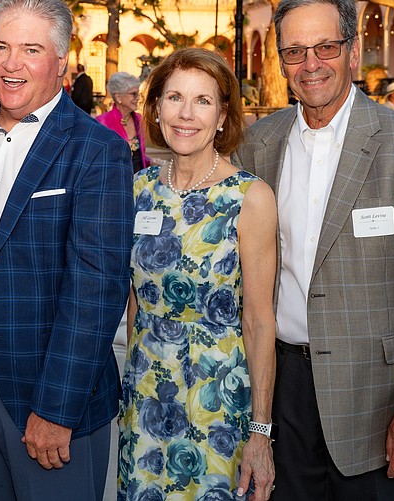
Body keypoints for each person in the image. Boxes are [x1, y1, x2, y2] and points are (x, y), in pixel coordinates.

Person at [235, 0, 394, 501]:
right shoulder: (259, 144)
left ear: (354, 52)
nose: (310, 64)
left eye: (326, 47)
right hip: (282, 393)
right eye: (294, 51)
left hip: (378, 404)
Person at [0, 0, 133, 501]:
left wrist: (56, 409)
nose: (9, 63)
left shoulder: (97, 150)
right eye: (0, 46)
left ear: (61, 62)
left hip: (52, 388)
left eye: (31, 49)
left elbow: (97, 291)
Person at [119, 47, 277, 500]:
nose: (186, 114)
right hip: (146, 396)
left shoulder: (250, 197)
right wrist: (131, 391)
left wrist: (261, 431)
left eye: (203, 101)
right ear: (156, 109)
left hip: (217, 402)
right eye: (174, 98)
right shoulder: (139, 190)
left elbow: (260, 320)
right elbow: (135, 302)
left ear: (223, 116)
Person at [96, 71, 150, 173]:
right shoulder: (102, 122)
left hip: (138, 182)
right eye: (133, 94)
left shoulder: (139, 119)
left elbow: (140, 156)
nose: (138, 98)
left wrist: (154, 162)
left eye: (138, 93)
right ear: (118, 97)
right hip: (114, 182)